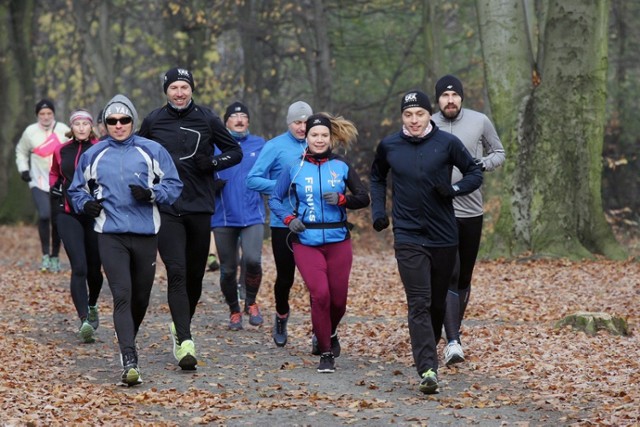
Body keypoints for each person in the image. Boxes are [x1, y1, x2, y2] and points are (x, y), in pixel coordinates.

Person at [370, 90, 482, 394]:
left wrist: (454, 189)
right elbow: (377, 177)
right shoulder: (390, 145)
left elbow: (474, 173)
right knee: (418, 301)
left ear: (428, 115)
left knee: (434, 302)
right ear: (402, 117)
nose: (414, 120)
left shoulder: (447, 144)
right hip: (407, 234)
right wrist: (379, 211)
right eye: (408, 115)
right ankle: (428, 368)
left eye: (419, 114)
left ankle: (428, 347)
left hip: (443, 235)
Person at [67, 94, 182, 386]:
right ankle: (129, 357)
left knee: (141, 297)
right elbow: (76, 190)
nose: (119, 125)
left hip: (145, 233)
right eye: (112, 121)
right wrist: (86, 205)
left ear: (133, 120)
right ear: (104, 124)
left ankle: (127, 338)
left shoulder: (152, 150)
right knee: (122, 294)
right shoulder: (95, 154)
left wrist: (153, 194)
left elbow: (174, 184)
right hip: (110, 234)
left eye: (124, 120)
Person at [138, 67, 242, 370]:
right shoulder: (154, 120)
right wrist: (146, 187)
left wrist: (210, 163)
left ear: (191, 89)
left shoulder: (208, 118)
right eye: (174, 88)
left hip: (199, 205)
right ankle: (185, 341)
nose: (179, 93)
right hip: (167, 208)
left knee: (195, 276)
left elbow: (233, 152)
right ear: (166, 91)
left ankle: (180, 325)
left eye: (184, 87)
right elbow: (137, 154)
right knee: (177, 271)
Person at [269, 113, 369, 373]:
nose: (319, 139)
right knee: (321, 295)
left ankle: (331, 331)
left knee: (339, 302)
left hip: (338, 240)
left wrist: (343, 200)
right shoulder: (295, 166)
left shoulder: (341, 166)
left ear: (331, 137)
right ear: (307, 138)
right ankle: (325, 351)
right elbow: (275, 200)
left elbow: (363, 198)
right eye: (315, 135)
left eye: (324, 135)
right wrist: (289, 219)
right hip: (306, 240)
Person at [432, 75, 506, 366]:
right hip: (440, 211)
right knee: (449, 273)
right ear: (438, 99)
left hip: (471, 210)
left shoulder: (480, 121)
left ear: (461, 97)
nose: (450, 100)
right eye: (445, 96)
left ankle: (452, 327)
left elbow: (499, 153)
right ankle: (453, 340)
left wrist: (481, 165)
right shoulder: (427, 124)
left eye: (455, 95)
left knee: (464, 277)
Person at [247, 100, 313, 347]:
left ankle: (320, 329)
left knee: (315, 281)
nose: (302, 127)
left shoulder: (318, 142)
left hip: (314, 223)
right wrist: (282, 187)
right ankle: (281, 316)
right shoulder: (275, 146)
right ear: (289, 122)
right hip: (283, 223)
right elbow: (252, 180)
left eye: (306, 122)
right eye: (297, 122)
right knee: (286, 278)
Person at [50, 109, 104, 344]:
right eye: (77, 124)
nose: (81, 127)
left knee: (94, 269)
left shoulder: (101, 148)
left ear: (91, 127)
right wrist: (54, 188)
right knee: (79, 266)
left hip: (94, 214)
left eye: (85, 124)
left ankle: (92, 304)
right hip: (68, 213)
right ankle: (84, 320)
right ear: (72, 127)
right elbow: (54, 173)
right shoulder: (61, 150)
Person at [212, 101, 267, 330]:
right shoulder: (214, 146)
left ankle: (251, 302)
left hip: (253, 214)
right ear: (226, 123)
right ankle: (234, 310)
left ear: (249, 122)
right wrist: (211, 184)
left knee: (253, 260)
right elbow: (200, 171)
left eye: (244, 116)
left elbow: (274, 174)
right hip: (223, 216)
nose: (240, 120)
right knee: (227, 269)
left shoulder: (260, 145)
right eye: (234, 117)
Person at [15, 99, 71, 272]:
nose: (46, 117)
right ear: (37, 115)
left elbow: (72, 148)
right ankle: (45, 255)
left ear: (53, 114)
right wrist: (23, 169)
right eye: (42, 114)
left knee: (57, 220)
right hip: (38, 181)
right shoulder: (30, 132)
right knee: (45, 215)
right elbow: (21, 151)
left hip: (58, 183)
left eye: (49, 113)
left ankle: (55, 257)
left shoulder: (63, 130)